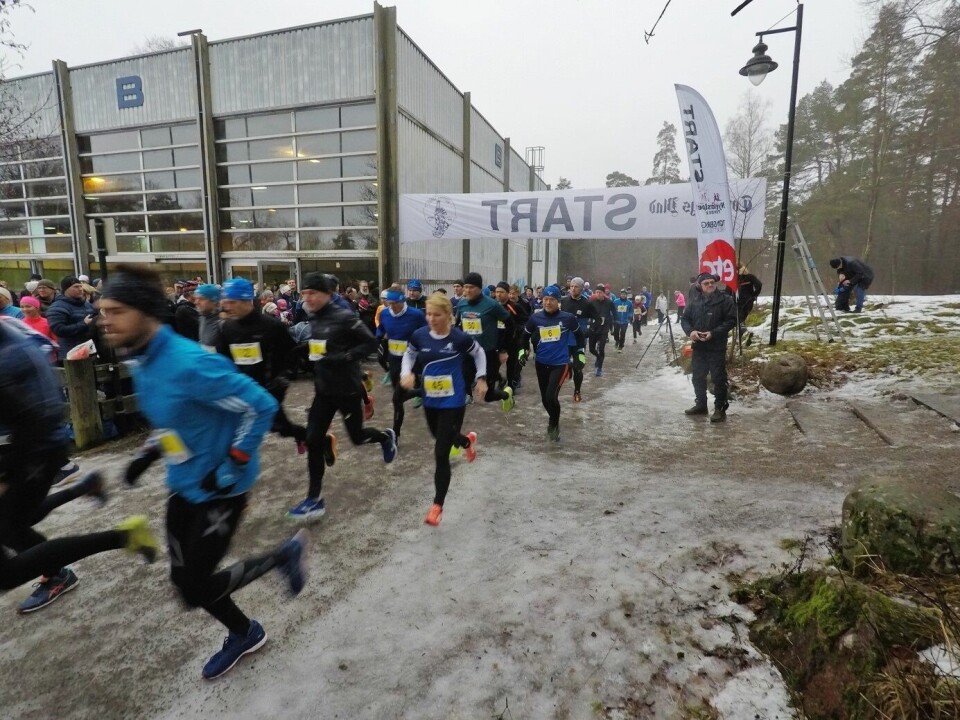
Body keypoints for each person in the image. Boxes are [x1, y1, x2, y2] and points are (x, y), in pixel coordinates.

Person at [98, 265, 308, 680]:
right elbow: (175, 419)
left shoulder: (189, 363)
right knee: (184, 582)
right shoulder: (142, 362)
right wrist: (150, 452)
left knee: (194, 588)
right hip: (184, 483)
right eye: (102, 309)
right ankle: (244, 632)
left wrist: (233, 463)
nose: (105, 319)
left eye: (116, 310)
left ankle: (282, 557)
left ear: (146, 312)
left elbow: (260, 406)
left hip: (222, 487)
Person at [286, 272, 397, 522]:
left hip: (346, 389)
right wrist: (304, 349)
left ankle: (384, 437)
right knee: (313, 440)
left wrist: (346, 357)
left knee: (357, 437)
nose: (307, 298)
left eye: (312, 293)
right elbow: (322, 345)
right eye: (304, 293)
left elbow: (369, 343)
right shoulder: (313, 316)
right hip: (323, 390)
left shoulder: (345, 316)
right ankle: (314, 499)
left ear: (327, 294)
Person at [400, 293, 484, 526]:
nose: (431, 318)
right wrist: (405, 373)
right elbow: (409, 355)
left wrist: (482, 377)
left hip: (454, 401)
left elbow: (479, 353)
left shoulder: (458, 338)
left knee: (440, 452)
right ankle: (466, 441)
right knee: (440, 437)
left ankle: (437, 505)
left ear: (448, 315)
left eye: (437, 314)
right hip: (431, 399)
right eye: (428, 314)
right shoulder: (419, 335)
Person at [217, 277, 310, 456]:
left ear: (246, 300)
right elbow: (223, 360)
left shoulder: (271, 325)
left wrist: (285, 376)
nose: (226, 307)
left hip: (270, 388)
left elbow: (293, 352)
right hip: (242, 389)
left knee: (277, 426)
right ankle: (303, 435)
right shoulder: (227, 328)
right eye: (224, 302)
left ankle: (314, 438)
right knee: (266, 427)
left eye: (231, 302)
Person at [524, 285, 584, 442]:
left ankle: (554, 424)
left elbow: (580, 336)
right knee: (545, 399)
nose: (548, 302)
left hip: (560, 363)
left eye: (551, 300)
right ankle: (553, 418)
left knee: (551, 396)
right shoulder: (535, 318)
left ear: (558, 301)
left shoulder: (568, 318)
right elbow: (524, 336)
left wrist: (580, 354)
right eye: (545, 299)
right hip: (541, 362)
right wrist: (522, 351)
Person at [680, 272, 738, 423]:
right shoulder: (694, 300)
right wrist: (691, 332)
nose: (710, 285)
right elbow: (685, 319)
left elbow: (731, 320)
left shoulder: (725, 300)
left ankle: (720, 408)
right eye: (706, 283)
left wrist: (713, 333)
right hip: (699, 345)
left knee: (718, 378)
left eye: (712, 282)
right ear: (700, 286)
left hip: (717, 345)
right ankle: (701, 404)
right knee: (697, 376)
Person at [454, 272, 514, 411]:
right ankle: (466, 399)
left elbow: (509, 324)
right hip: (469, 351)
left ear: (480, 288)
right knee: (463, 380)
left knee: (488, 395)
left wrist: (503, 349)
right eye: (466, 287)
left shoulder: (491, 305)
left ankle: (506, 395)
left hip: (489, 353)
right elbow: (457, 325)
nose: (467, 290)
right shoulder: (462, 304)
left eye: (471, 287)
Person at [377, 285, 427, 442]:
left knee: (397, 398)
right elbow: (380, 331)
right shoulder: (385, 314)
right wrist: (377, 340)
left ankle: (395, 433)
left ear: (402, 300)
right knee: (399, 397)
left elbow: (426, 333)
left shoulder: (416, 315)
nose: (392, 307)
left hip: (411, 360)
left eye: (394, 303)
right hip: (394, 359)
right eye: (388, 303)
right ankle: (423, 393)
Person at [560, 277, 596, 402]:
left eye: (576, 287)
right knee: (560, 366)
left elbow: (596, 320)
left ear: (581, 288)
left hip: (579, 342)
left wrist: (588, 331)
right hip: (564, 340)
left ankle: (577, 391)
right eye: (571, 286)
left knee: (578, 367)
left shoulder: (587, 303)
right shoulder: (563, 301)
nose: (573, 289)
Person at [46, 276, 95, 363]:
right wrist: (83, 324)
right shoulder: (57, 307)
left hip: (90, 352)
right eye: (76, 287)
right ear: (66, 289)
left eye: (80, 286)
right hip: (70, 354)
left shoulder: (88, 305)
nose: (80, 289)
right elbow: (59, 330)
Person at [588, 283, 614, 376]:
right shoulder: (591, 302)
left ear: (604, 293)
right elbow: (586, 313)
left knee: (601, 349)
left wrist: (612, 326)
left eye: (600, 292)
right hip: (593, 328)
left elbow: (614, 313)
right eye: (596, 292)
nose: (598, 294)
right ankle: (598, 358)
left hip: (604, 329)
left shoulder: (609, 302)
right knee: (591, 349)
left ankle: (599, 368)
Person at [195, 284, 222, 352]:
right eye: (196, 299)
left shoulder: (224, 322)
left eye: (201, 299)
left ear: (214, 301)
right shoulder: (202, 317)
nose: (196, 302)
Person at [736, 266, 763, 332]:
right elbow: (759, 285)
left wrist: (754, 295)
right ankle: (741, 326)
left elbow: (759, 285)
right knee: (743, 313)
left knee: (740, 314)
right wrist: (754, 295)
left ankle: (741, 326)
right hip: (748, 299)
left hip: (739, 299)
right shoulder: (750, 277)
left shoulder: (735, 277)